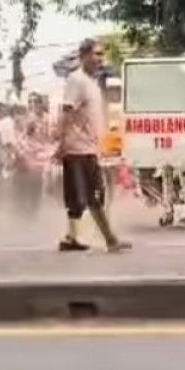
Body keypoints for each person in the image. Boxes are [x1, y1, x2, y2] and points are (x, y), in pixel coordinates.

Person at [52, 38, 129, 253]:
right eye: (97, 54)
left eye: (102, 55)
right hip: (78, 149)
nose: (100, 59)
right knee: (94, 195)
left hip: (88, 148)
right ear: (83, 55)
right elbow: (67, 111)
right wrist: (61, 143)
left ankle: (71, 238)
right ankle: (111, 240)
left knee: (78, 198)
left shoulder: (90, 82)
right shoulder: (76, 80)